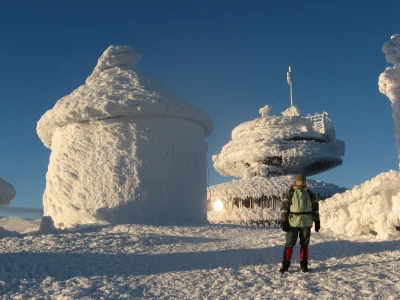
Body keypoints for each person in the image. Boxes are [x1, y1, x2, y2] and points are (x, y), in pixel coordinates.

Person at [279, 174, 320, 273]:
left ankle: (304, 265)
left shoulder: (310, 194)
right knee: (289, 243)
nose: (301, 182)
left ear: (305, 182)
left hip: (306, 222)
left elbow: (315, 209)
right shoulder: (290, 193)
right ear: (296, 181)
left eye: (303, 180)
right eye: (299, 180)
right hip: (293, 222)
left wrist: (317, 220)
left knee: (305, 244)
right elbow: (284, 208)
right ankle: (285, 265)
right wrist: (284, 221)